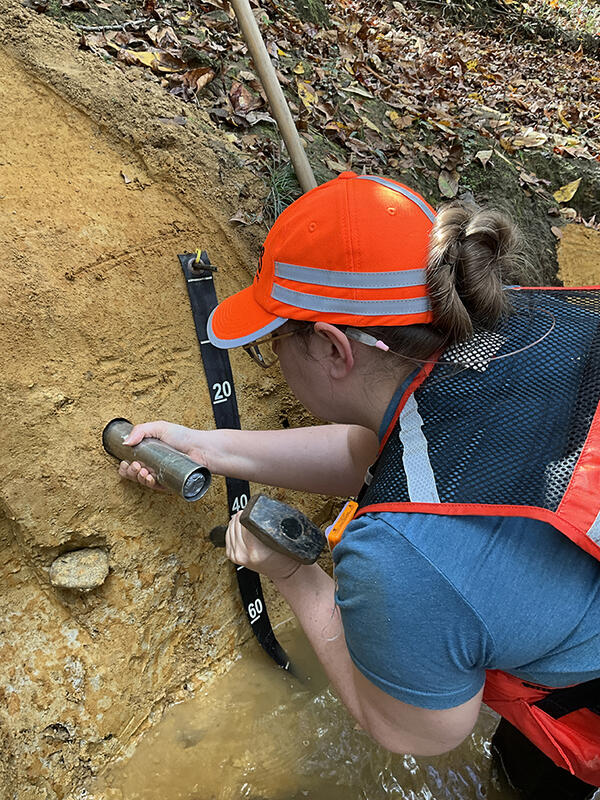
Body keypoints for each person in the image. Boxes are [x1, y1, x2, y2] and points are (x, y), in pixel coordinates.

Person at [118, 172, 600, 799]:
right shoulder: (534, 326)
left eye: (271, 344)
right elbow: (395, 454)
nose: (273, 360)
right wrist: (207, 445)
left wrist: (294, 575)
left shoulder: (404, 557)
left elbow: (420, 732)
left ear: (331, 348)